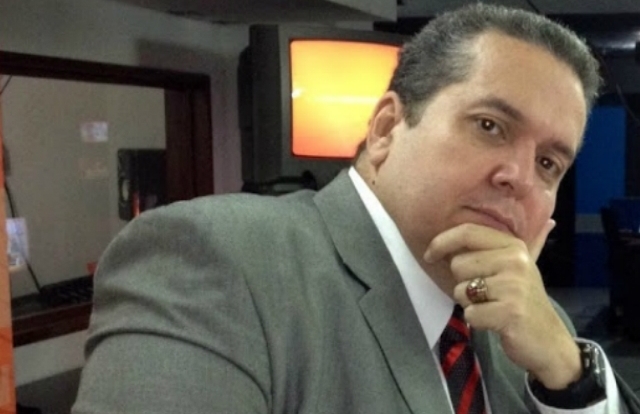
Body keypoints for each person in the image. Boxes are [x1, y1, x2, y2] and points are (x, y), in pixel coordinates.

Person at [73, 4, 640, 414]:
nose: (517, 176)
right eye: (489, 126)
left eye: (548, 163)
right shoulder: (217, 262)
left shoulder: (532, 321)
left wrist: (570, 377)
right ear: (387, 128)